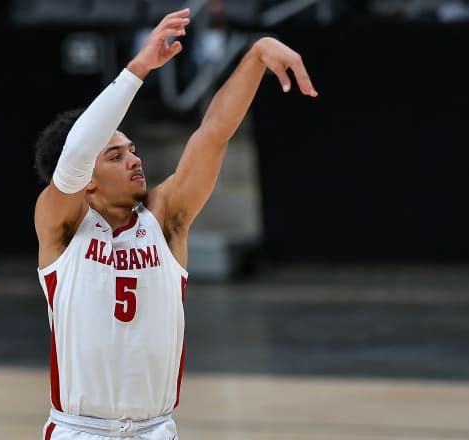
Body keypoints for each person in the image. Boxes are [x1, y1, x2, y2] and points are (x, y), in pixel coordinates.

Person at [33, 7, 317, 440]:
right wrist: (138, 68)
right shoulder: (61, 227)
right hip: (81, 431)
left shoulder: (165, 219)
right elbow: (73, 157)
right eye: (116, 155)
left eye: (132, 149)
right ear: (87, 180)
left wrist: (256, 54)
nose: (134, 159)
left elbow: (214, 132)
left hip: (155, 430)